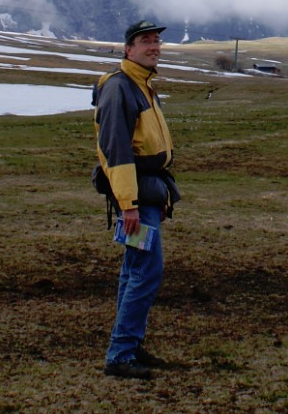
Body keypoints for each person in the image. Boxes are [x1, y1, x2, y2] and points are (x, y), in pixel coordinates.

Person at [92, 19, 180, 380]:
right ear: (129, 49)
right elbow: (116, 150)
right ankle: (121, 353)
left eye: (157, 41)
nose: (154, 46)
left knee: (135, 270)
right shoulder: (120, 88)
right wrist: (127, 204)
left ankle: (128, 346)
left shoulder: (142, 85)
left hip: (147, 192)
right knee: (146, 271)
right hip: (136, 195)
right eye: (146, 41)